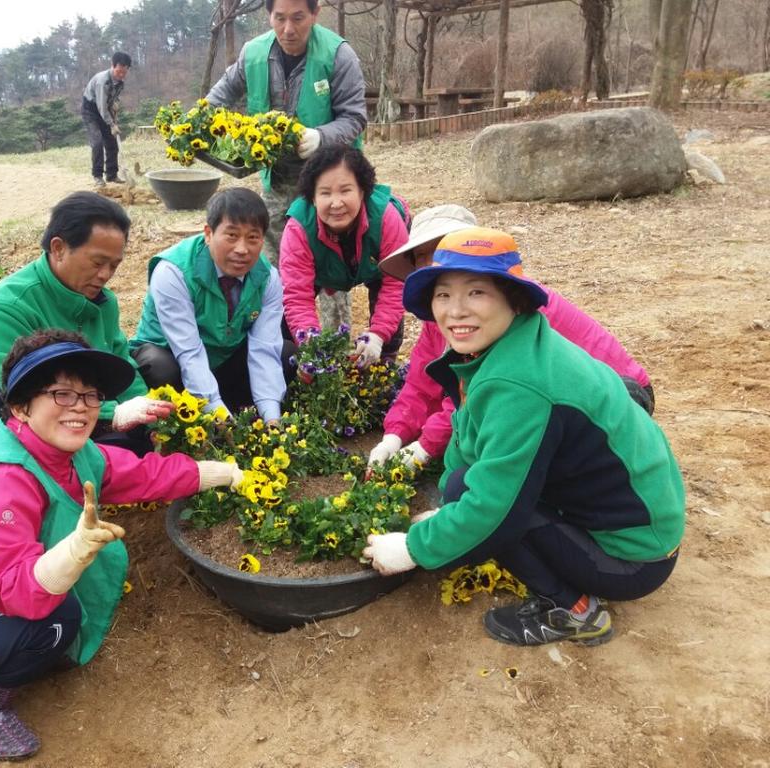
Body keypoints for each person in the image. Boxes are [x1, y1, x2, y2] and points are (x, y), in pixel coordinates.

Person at [0, 330, 244, 760]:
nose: (81, 408)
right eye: (61, 394)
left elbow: (139, 475)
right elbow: (11, 591)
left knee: (58, 608)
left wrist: (222, 473)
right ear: (20, 406)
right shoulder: (1, 479)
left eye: (90, 395)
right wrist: (70, 554)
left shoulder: (69, 453)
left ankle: (12, 656)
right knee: (58, 616)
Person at [363, 227, 685, 647]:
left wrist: (412, 548)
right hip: (625, 519)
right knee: (463, 485)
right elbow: (467, 438)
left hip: (636, 556)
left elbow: (493, 511)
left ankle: (576, 613)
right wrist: (444, 509)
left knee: (500, 516)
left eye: (476, 292)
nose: (455, 311)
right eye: (443, 294)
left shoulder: (521, 383)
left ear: (513, 298)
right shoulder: (509, 345)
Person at [367, 204, 655, 470]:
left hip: (622, 395)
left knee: (516, 457)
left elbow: (471, 396)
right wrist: (393, 436)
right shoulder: (445, 314)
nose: (434, 264)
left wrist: (423, 448)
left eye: (443, 249)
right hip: (561, 400)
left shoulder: (509, 306)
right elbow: (421, 383)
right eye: (422, 257)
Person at [0, 191, 170, 456]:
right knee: (72, 470)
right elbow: (23, 393)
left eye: (114, 265)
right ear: (58, 248)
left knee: (142, 450)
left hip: (78, 413)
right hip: (8, 421)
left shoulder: (103, 303)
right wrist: (115, 412)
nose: (105, 275)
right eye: (98, 262)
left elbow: (122, 360)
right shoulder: (8, 306)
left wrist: (144, 409)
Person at [205, 0, 367, 268]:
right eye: (279, 18)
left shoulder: (338, 55)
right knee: (275, 262)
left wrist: (320, 137)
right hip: (277, 178)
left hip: (328, 181)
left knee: (330, 264)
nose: (288, 29)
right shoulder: (254, 53)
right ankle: (277, 310)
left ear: (315, 14)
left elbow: (354, 117)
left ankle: (330, 309)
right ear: (269, 16)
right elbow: (219, 97)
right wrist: (195, 127)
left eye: (298, 18)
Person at [130, 188, 295, 424]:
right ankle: (196, 418)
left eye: (253, 238)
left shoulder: (267, 277)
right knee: (160, 368)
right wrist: (220, 418)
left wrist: (272, 417)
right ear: (208, 233)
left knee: (285, 354)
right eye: (231, 235)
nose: (242, 249)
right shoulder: (173, 272)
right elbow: (188, 351)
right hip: (172, 356)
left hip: (220, 360)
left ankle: (237, 412)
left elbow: (264, 348)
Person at [280, 144, 410, 368]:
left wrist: (378, 334)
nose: (336, 203)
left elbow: (396, 286)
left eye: (346, 190)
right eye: (325, 193)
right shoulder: (298, 228)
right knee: (287, 328)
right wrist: (311, 344)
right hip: (325, 268)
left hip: (377, 266)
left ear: (362, 191)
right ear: (312, 197)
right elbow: (296, 295)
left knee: (388, 333)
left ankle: (385, 375)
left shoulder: (387, 218)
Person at [82, 52, 132, 187]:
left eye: (124, 72)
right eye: (119, 71)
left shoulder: (120, 82)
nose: (121, 75)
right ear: (112, 66)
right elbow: (101, 107)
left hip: (105, 110)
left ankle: (111, 174)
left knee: (112, 142)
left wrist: (115, 105)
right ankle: (97, 176)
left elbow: (111, 100)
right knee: (97, 142)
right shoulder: (102, 81)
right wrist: (111, 123)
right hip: (91, 110)